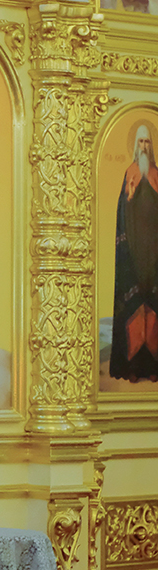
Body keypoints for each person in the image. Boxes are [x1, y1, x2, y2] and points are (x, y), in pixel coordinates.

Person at [111, 124, 158, 381]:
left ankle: (152, 367)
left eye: (147, 142)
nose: (143, 146)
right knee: (135, 306)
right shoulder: (129, 173)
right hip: (134, 251)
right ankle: (132, 367)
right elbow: (122, 214)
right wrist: (128, 196)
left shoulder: (157, 175)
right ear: (135, 145)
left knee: (153, 306)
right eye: (140, 142)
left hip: (154, 252)